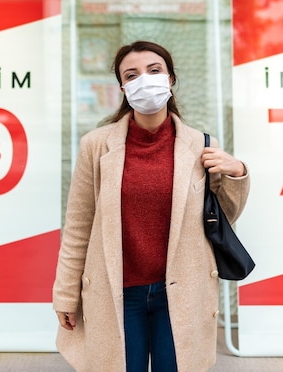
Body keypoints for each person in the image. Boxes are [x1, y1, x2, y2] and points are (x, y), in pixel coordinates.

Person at [52, 40, 250, 371]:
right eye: (132, 75)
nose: (144, 79)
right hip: (116, 293)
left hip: (179, 294)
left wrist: (237, 173)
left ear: (170, 79)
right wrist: (66, 294)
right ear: (123, 88)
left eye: (154, 70)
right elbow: (78, 225)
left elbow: (222, 219)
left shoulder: (201, 145)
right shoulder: (96, 146)